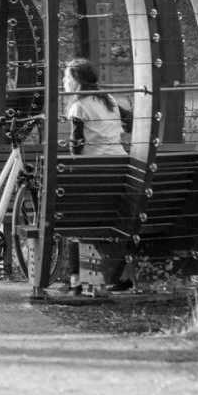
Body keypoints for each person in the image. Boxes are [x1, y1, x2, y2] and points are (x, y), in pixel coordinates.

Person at [61, 57, 132, 294]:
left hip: (94, 172)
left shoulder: (78, 106)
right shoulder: (108, 100)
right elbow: (130, 121)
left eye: (66, 77)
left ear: (76, 80)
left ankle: (77, 280)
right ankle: (114, 275)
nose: (64, 81)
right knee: (107, 220)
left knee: (73, 217)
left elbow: (76, 147)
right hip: (120, 169)